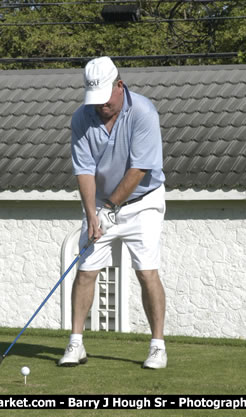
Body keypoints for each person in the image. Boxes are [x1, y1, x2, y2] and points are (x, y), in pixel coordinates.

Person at [58, 56, 167, 369]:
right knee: (86, 270)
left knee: (146, 271)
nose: (100, 108)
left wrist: (109, 208)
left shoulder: (143, 112)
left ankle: (157, 346)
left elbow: (139, 169)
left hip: (143, 202)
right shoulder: (82, 118)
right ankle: (76, 344)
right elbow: (84, 171)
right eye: (95, 102)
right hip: (102, 203)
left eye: (105, 100)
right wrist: (92, 213)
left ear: (120, 86)